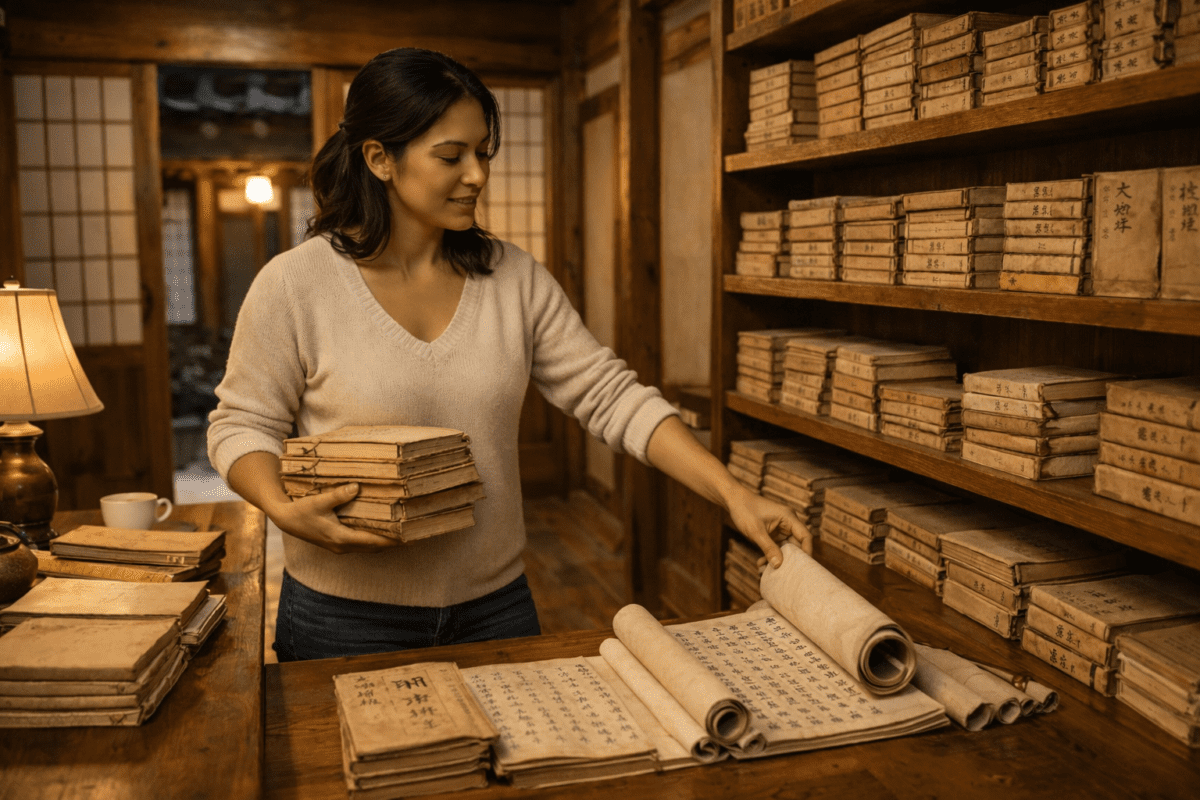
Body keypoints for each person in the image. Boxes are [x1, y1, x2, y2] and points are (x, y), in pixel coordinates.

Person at [207, 47, 807, 663]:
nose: (477, 175)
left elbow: (611, 396)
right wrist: (280, 506)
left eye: (483, 153)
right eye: (451, 156)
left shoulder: (514, 279)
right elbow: (241, 423)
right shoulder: (293, 285)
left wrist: (733, 494)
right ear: (379, 158)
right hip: (342, 617)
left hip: (496, 609)